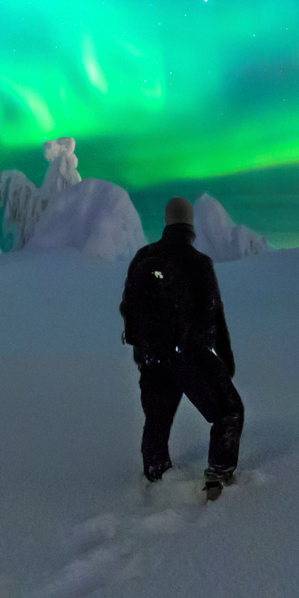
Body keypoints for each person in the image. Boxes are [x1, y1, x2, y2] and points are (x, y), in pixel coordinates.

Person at [120, 196, 244, 499]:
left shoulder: (143, 257)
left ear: (166, 222)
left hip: (152, 359)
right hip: (190, 358)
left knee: (157, 422)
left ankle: (154, 478)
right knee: (229, 411)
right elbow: (213, 311)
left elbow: (128, 307)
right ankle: (218, 475)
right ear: (190, 226)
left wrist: (143, 353)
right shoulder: (198, 263)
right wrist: (224, 359)